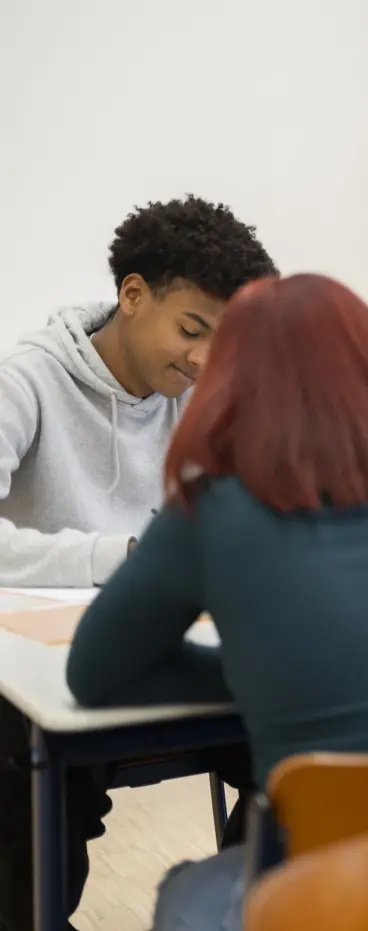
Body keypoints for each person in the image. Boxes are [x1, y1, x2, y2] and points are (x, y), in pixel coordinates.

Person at [63, 274, 368, 931]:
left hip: (338, 887)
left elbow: (95, 675)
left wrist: (264, 676)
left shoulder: (212, 509)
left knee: (188, 893)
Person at [0, 195, 274, 931]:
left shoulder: (197, 395)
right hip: (42, 666)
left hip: (163, 645)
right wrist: (120, 556)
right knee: (39, 800)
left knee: (293, 751)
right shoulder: (24, 381)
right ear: (131, 295)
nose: (203, 357)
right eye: (191, 329)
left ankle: (253, 912)